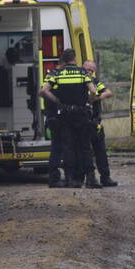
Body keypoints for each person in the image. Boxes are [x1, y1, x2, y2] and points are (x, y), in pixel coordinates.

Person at [39, 49, 99, 188]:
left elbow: (43, 91)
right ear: (74, 59)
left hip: (65, 115)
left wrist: (57, 101)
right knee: (85, 147)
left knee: (68, 147)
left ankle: (70, 179)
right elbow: (93, 90)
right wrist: (89, 102)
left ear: (63, 60)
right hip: (81, 114)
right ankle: (90, 179)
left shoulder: (56, 73)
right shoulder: (82, 72)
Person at [83, 60, 119, 187]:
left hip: (96, 122)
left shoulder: (95, 81)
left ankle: (105, 177)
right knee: (86, 153)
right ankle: (89, 178)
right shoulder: (80, 81)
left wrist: (97, 98)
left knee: (101, 152)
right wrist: (92, 99)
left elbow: (108, 92)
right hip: (84, 122)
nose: (90, 72)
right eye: (88, 69)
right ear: (82, 68)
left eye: (92, 70)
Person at [42, 57, 66, 187]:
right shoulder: (54, 75)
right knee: (57, 148)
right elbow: (43, 92)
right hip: (55, 115)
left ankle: (57, 177)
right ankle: (54, 178)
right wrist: (58, 101)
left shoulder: (52, 75)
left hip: (53, 115)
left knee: (58, 148)